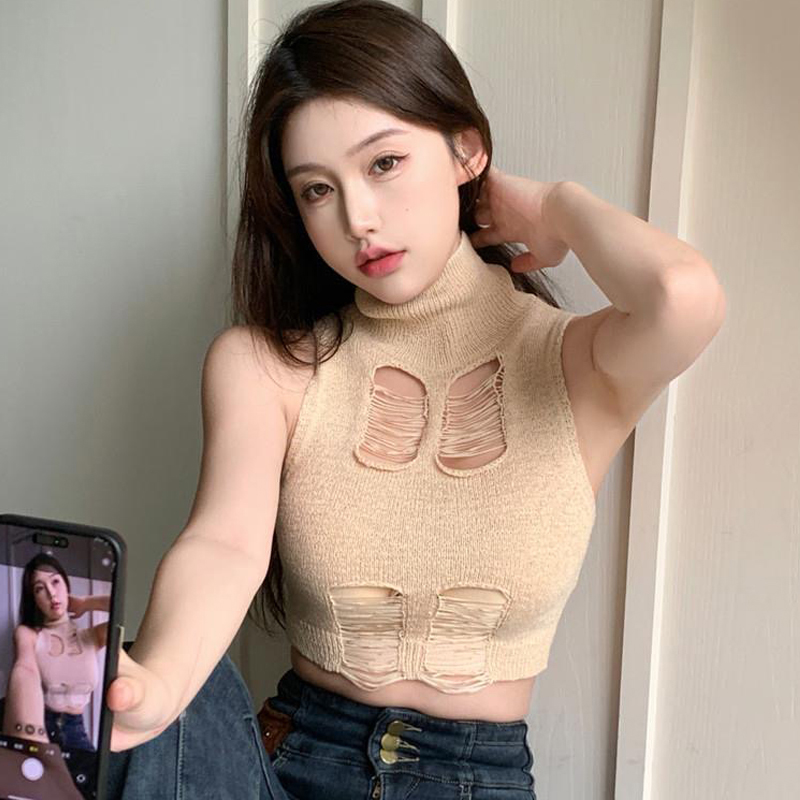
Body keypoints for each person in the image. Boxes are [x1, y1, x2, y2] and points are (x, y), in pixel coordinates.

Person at [103, 1, 725, 798]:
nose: (357, 218)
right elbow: (224, 544)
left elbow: (683, 295)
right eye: (317, 190)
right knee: (143, 686)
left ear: (467, 149)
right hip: (287, 762)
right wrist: (157, 686)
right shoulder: (267, 367)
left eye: (384, 163)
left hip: (472, 776)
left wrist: (556, 207)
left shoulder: (572, 364)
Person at [2, 553, 108, 753]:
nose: (51, 593)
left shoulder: (92, 636)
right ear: (34, 599)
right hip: (39, 726)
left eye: (56, 582)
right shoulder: (29, 634)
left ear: (67, 586)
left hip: (76, 731)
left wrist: (86, 603)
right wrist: (34, 737)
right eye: (39, 588)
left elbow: (120, 610)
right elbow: (25, 669)